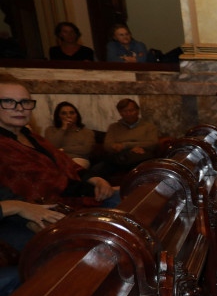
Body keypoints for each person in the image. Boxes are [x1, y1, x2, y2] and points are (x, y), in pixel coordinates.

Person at [0, 76, 116, 210]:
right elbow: (48, 183)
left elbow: (69, 164)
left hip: (78, 198)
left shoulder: (32, 136)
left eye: (25, 102)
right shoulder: (3, 145)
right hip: (51, 211)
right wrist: (96, 189)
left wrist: (97, 180)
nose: (20, 108)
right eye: (8, 101)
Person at [102, 98, 161, 171]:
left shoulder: (149, 127)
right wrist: (130, 149)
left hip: (140, 157)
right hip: (117, 158)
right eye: (124, 111)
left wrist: (125, 146)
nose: (128, 114)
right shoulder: (113, 127)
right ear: (120, 113)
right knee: (97, 169)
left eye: (131, 110)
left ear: (137, 111)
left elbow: (153, 143)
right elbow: (107, 146)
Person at [43, 101, 96, 167]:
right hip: (57, 159)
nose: (68, 116)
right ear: (58, 117)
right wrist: (63, 128)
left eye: (72, 113)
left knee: (71, 168)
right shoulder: (50, 130)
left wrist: (63, 149)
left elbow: (86, 149)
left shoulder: (87, 132)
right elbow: (52, 147)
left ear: (77, 115)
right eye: (64, 113)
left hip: (78, 159)